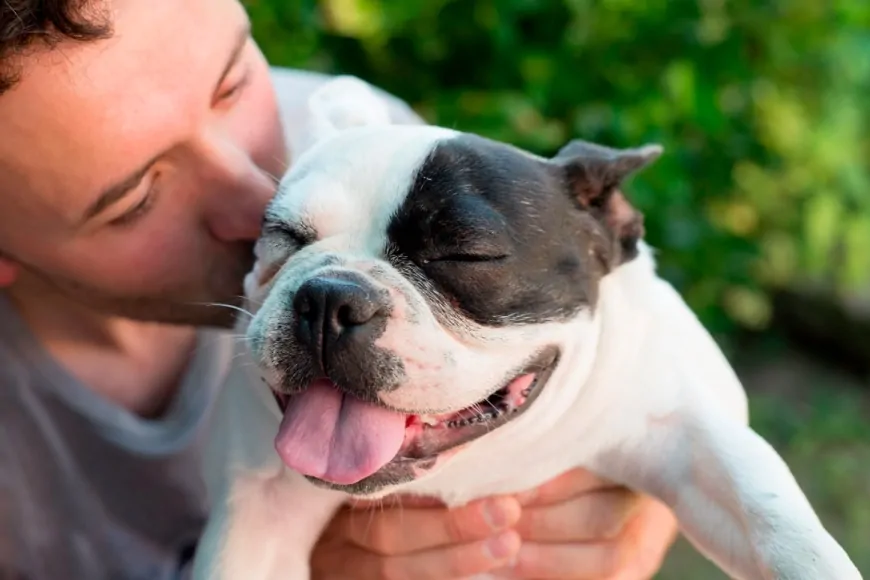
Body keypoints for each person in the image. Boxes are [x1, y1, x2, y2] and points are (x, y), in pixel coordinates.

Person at [0, 1, 679, 578]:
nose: (257, 196)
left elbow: (643, 390)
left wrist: (634, 508)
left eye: (233, 84)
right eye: (137, 200)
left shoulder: (368, 147)